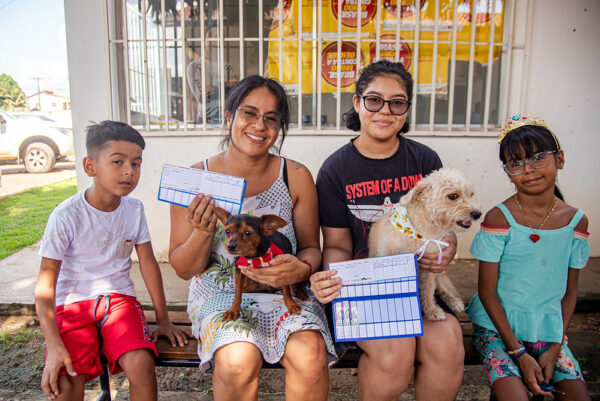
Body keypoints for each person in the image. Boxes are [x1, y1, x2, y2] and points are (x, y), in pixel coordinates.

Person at [169, 75, 336, 401]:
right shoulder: (195, 178)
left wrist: (301, 269)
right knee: (236, 360)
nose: (260, 126)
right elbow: (183, 269)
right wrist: (204, 231)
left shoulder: (296, 176)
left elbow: (311, 248)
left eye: (271, 118)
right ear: (229, 116)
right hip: (220, 295)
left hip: (285, 291)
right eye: (249, 113)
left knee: (310, 354)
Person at [310, 60, 464, 401]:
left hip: (419, 283)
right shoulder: (336, 170)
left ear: (407, 109)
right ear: (357, 103)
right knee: (394, 354)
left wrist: (447, 248)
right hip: (366, 287)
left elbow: (444, 229)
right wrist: (331, 276)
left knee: (448, 345)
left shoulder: (424, 161)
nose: (385, 110)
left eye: (397, 102)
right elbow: (336, 244)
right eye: (374, 99)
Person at [34, 121, 189, 401]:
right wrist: (54, 346)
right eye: (118, 162)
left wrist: (163, 320)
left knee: (142, 364)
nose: (129, 171)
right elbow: (45, 288)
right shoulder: (66, 215)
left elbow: (148, 264)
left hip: (119, 302)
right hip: (71, 305)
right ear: (90, 166)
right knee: (65, 382)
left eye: (136, 163)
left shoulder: (134, 209)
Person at [465, 113, 591, 400]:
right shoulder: (500, 218)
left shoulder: (576, 222)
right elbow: (487, 292)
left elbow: (570, 292)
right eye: (516, 163)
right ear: (507, 171)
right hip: (498, 329)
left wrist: (556, 346)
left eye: (538, 157)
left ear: (560, 158)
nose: (529, 169)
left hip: (550, 332)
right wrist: (519, 353)